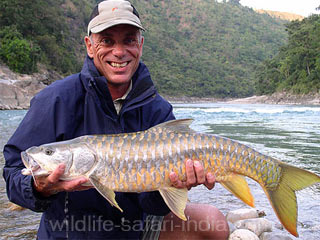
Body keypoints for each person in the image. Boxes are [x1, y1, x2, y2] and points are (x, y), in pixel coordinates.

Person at [3, 0, 229, 239]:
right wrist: (39, 188)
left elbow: (151, 206)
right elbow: (14, 175)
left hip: (133, 231)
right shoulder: (56, 99)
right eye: (107, 41)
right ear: (90, 46)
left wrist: (177, 183)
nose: (119, 52)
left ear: (140, 45)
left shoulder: (157, 109)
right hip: (70, 233)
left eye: (129, 40)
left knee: (213, 223)